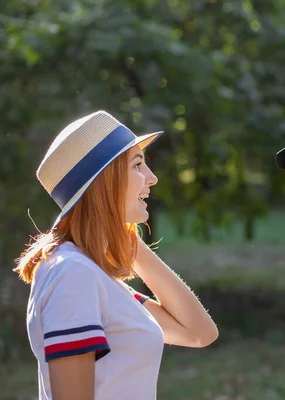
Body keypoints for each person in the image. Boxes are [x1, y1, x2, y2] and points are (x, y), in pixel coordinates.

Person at [14, 110, 219, 400]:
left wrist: (127, 240)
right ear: (103, 182)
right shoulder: (72, 274)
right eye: (137, 165)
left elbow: (198, 332)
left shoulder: (89, 273)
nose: (152, 178)